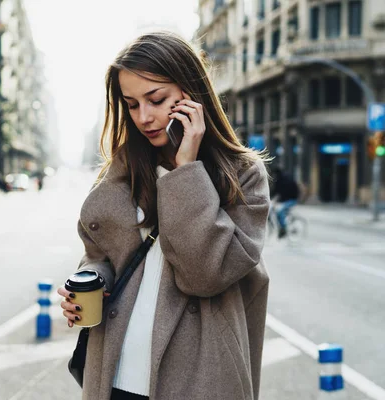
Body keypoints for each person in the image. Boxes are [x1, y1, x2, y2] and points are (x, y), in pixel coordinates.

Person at [56, 31, 270, 400]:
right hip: (116, 373)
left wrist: (186, 170)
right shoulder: (124, 169)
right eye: (132, 104)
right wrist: (92, 282)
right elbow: (101, 254)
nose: (144, 116)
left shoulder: (243, 175)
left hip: (197, 379)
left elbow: (205, 275)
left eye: (156, 99)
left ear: (192, 93)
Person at [270, 167, 300, 239]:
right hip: (286, 200)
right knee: (277, 211)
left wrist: (275, 200)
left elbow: (280, 192)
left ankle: (283, 228)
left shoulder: (283, 180)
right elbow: (276, 192)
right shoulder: (281, 179)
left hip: (292, 200)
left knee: (280, 211)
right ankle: (281, 227)